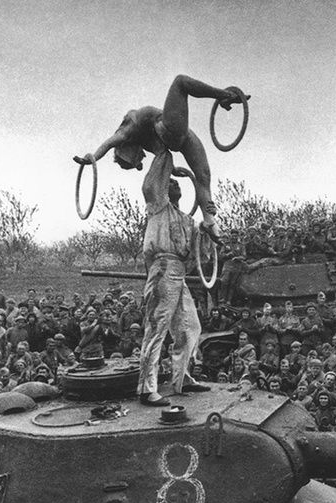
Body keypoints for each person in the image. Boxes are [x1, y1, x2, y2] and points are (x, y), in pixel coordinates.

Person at [74, 74, 249, 242]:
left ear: (125, 149)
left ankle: (209, 220)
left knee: (204, 175)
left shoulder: (127, 131)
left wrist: (92, 159)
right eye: (137, 161)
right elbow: (164, 155)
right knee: (180, 82)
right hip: (172, 133)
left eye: (135, 159)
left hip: (179, 134)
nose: (141, 158)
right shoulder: (146, 143)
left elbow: (108, 144)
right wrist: (174, 170)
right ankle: (226, 96)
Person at [136, 150, 210, 406]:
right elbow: (150, 184)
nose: (175, 183)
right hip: (162, 268)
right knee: (156, 328)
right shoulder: (158, 207)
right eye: (169, 181)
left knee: (190, 326)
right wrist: (165, 157)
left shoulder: (187, 220)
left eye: (177, 182)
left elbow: (200, 254)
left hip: (179, 273)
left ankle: (182, 378)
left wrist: (209, 226)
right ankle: (147, 389)